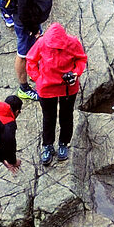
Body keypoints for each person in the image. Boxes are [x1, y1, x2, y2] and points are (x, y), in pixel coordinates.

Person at [26, 20, 89, 163]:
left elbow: (81, 59)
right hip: (46, 88)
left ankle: (63, 143)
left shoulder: (73, 43)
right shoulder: (42, 43)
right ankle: (48, 145)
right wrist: (38, 78)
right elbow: (30, 61)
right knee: (48, 118)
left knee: (66, 116)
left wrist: (75, 73)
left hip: (68, 87)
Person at [8, 0, 52, 90]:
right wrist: (33, 28)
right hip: (25, 22)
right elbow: (23, 10)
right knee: (23, 54)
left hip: (33, 18)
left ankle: (35, 73)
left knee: (33, 48)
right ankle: (24, 88)